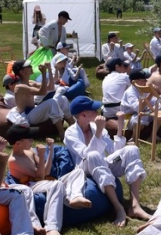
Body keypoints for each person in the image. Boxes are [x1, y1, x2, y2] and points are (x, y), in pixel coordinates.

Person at [64, 96, 152, 226]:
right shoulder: (70, 133)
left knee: (131, 149)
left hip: (102, 162)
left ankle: (135, 205)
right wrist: (99, 131)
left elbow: (114, 149)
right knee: (93, 155)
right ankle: (118, 208)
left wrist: (120, 126)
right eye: (93, 110)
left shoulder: (95, 126)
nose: (97, 111)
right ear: (83, 114)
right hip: (84, 168)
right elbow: (87, 154)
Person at [6, 123, 91, 235]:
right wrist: (41, 155)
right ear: (18, 143)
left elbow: (46, 170)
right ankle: (52, 228)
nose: (32, 140)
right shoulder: (14, 160)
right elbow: (39, 176)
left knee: (78, 172)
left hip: (42, 181)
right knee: (57, 184)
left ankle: (75, 197)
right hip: (31, 185)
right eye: (29, 138)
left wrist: (50, 151)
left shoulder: (29, 151)